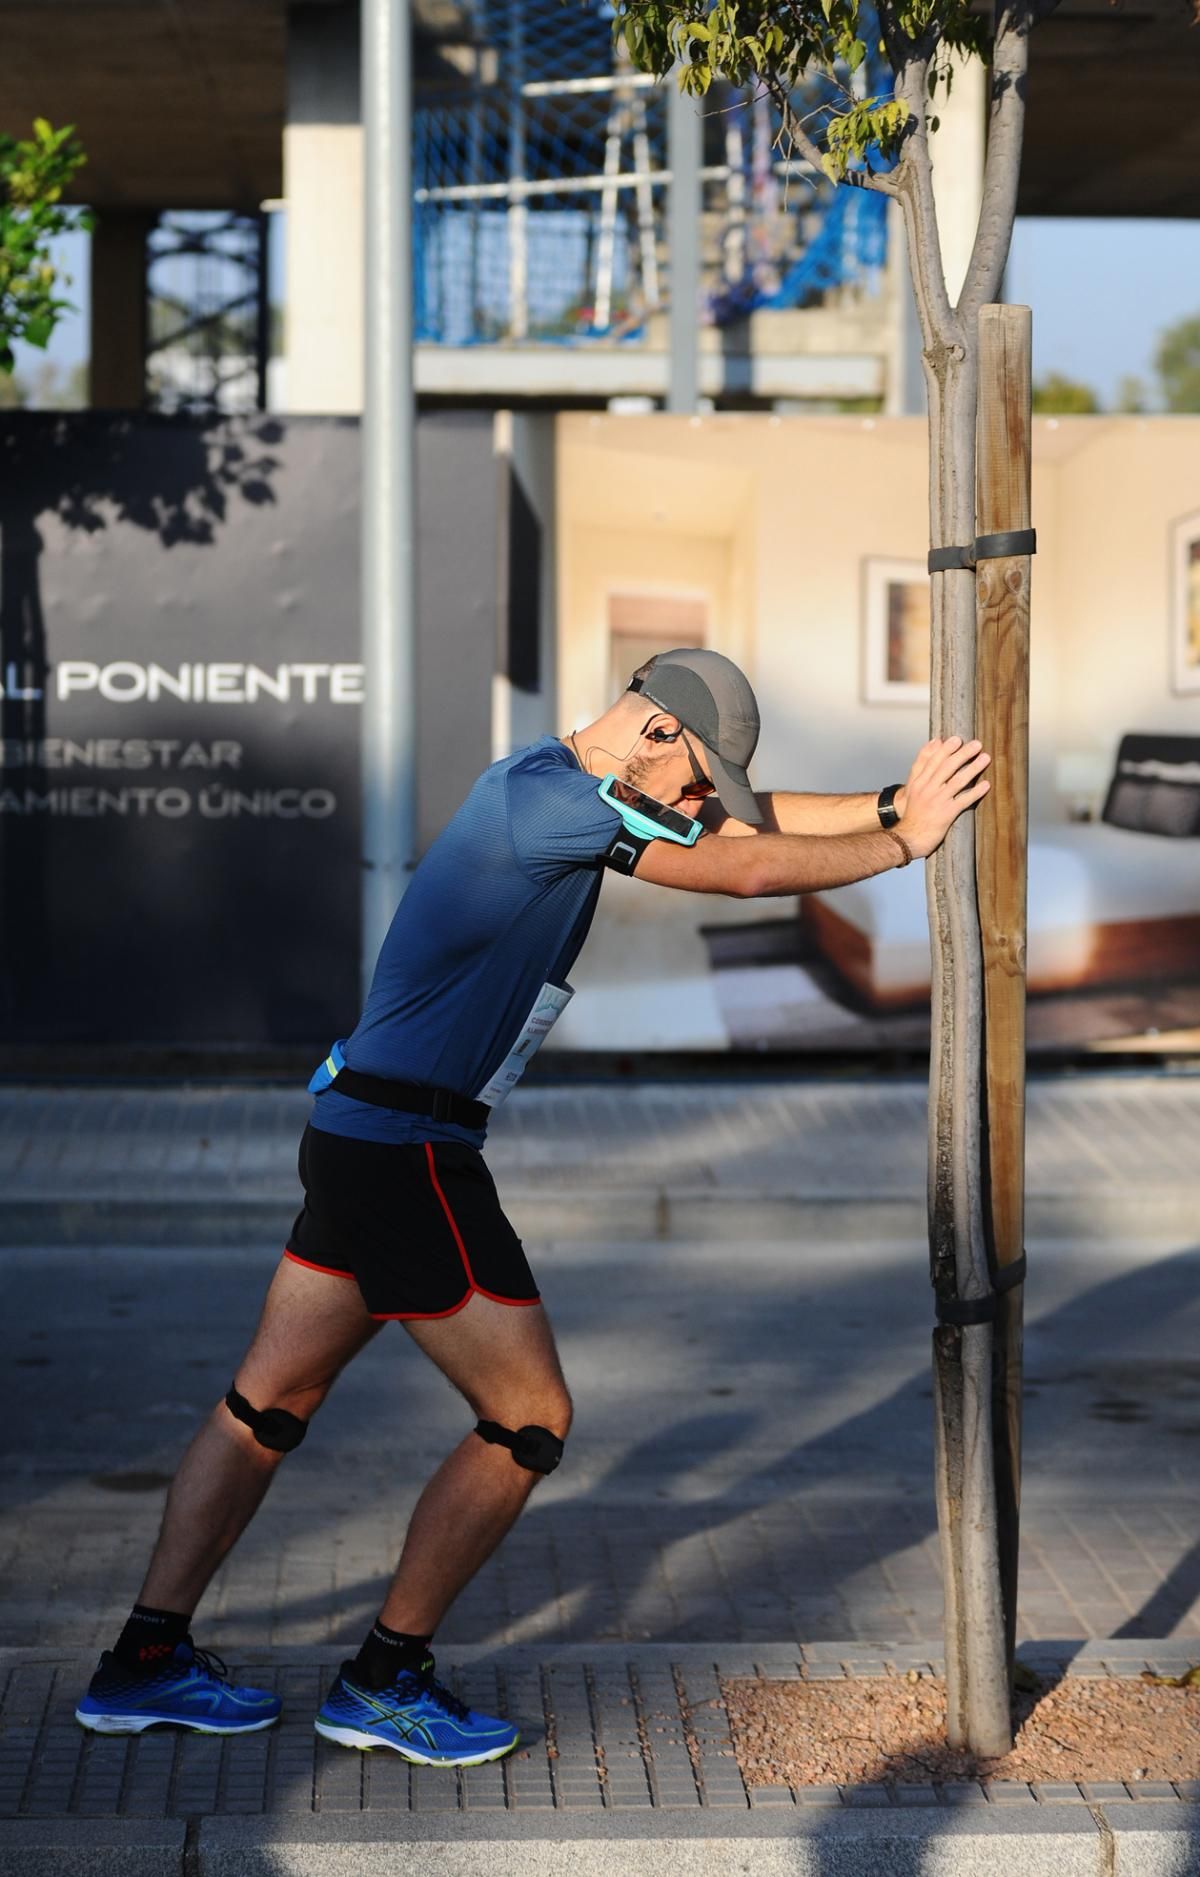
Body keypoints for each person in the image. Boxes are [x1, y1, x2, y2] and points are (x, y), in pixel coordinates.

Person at [74, 647, 990, 1765]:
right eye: (696, 780)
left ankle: (144, 1662)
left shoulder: (564, 783)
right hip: (408, 1148)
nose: (701, 808)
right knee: (529, 1417)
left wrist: (896, 797)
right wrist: (904, 845)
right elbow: (746, 870)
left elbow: (751, 824)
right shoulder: (551, 802)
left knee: (266, 1404)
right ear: (655, 733)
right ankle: (383, 1678)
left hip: (363, 1130)